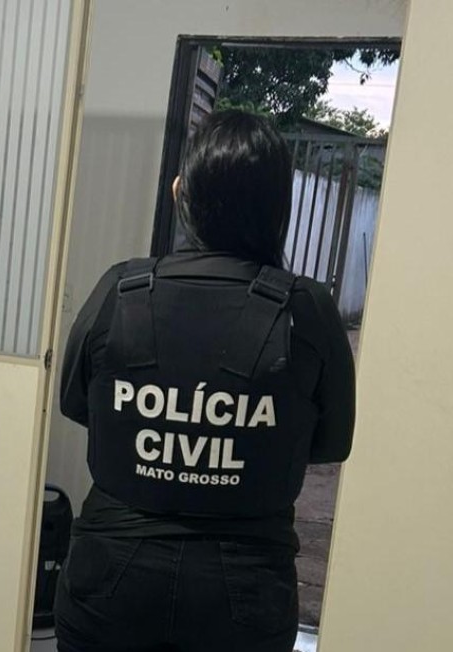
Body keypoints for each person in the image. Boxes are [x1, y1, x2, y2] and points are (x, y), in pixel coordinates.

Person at [54, 110, 355, 652]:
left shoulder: (121, 290)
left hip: (111, 582)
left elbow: (77, 403)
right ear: (278, 207)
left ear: (180, 192)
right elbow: (332, 442)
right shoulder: (305, 310)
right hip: (243, 593)